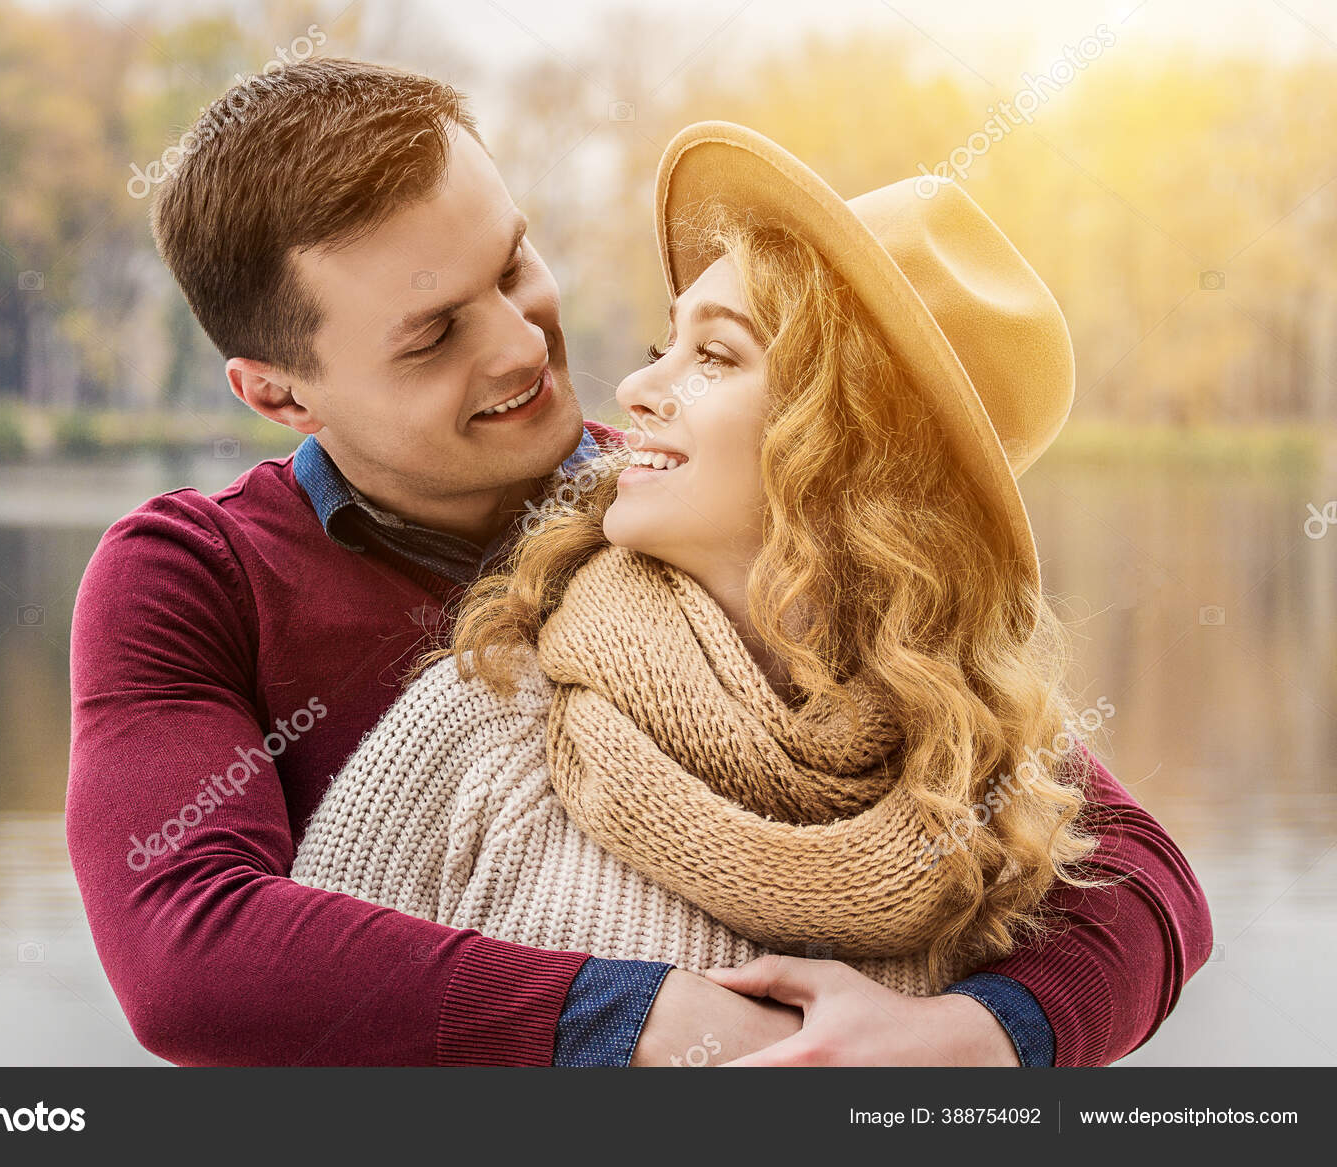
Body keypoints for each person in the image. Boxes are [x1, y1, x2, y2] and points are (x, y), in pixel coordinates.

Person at [66, 60, 1213, 1067]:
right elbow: (186, 949)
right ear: (277, 391)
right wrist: (645, 1017)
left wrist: (974, 1041)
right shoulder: (190, 578)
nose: (522, 345)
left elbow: (1132, 876)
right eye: (431, 335)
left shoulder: (695, 508)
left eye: (513, 267)